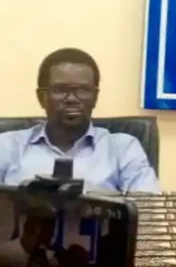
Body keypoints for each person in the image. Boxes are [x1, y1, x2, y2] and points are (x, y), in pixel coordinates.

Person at [0, 49, 160, 193]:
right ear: (41, 97)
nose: (71, 99)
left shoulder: (122, 149)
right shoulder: (7, 146)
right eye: (60, 90)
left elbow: (148, 208)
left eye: (83, 90)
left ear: (95, 97)